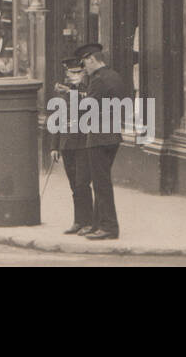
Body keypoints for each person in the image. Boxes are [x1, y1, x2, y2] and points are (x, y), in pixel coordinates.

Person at [77, 43, 130, 240]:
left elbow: (87, 107)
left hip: (98, 136)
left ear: (92, 59)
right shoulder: (115, 76)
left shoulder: (97, 80)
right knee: (102, 179)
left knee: (101, 183)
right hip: (112, 135)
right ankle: (97, 224)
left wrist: (76, 96)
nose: (84, 68)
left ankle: (108, 226)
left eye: (85, 64)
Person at [51, 53, 94, 235]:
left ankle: (89, 222)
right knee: (74, 185)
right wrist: (54, 146)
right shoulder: (63, 93)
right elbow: (56, 119)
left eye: (78, 72)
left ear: (84, 72)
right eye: (71, 73)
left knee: (82, 182)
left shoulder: (89, 90)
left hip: (84, 143)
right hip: (67, 143)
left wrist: (73, 92)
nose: (74, 76)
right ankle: (78, 221)